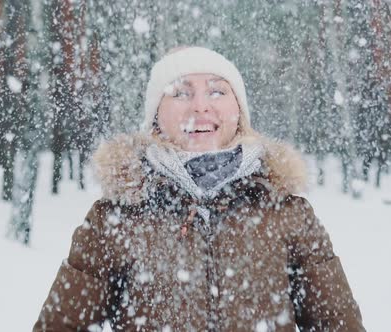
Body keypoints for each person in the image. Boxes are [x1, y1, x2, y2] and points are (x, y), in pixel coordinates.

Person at [33, 46, 365, 331]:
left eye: (217, 91)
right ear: (155, 117)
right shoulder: (115, 219)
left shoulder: (287, 211)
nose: (200, 106)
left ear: (238, 112)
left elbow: (338, 324)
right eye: (180, 92)